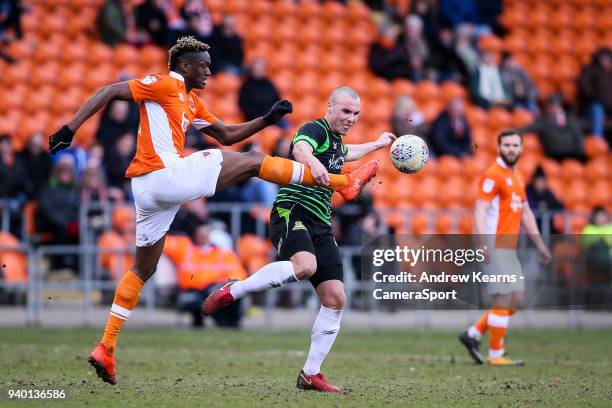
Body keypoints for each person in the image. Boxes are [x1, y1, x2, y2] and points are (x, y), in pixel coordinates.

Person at [47, 36, 378, 385]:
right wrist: (70, 129)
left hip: (150, 194)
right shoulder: (162, 84)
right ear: (184, 66)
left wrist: (266, 119)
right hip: (163, 175)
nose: (209, 70)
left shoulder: (192, 102)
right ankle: (343, 183)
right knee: (252, 161)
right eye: (203, 65)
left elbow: (227, 135)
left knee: (143, 268)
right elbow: (110, 91)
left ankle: (106, 346)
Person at [202, 87, 397, 392]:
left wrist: (378, 144)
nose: (351, 119)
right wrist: (314, 163)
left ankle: (311, 374)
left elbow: (348, 152)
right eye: (345, 111)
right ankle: (235, 289)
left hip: (320, 220)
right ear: (330, 106)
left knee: (335, 298)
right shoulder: (314, 129)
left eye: (356, 114)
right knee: (304, 266)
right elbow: (300, 148)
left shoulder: (336, 141)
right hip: (292, 210)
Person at [459, 129, 551, 366]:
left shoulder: (519, 176)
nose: (511, 149)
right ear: (499, 148)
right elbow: (479, 209)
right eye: (506, 145)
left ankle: (473, 334)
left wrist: (540, 244)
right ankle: (496, 354)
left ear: (521, 149)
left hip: (509, 248)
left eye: (515, 145)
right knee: (503, 298)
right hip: (494, 245)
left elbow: (527, 213)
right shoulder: (493, 175)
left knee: (516, 301)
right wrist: (482, 242)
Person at [164, 222, 246, 328]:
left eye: (205, 234)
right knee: (210, 297)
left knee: (233, 291)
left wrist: (231, 284)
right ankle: (225, 324)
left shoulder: (223, 253)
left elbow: (237, 273)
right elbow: (165, 243)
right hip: (192, 290)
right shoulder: (185, 248)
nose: (203, 237)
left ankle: (229, 323)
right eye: (200, 234)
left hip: (216, 288)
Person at [519, 94, 585, 162]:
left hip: (571, 154)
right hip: (553, 155)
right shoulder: (544, 121)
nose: (553, 108)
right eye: (551, 106)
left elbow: (578, 135)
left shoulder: (570, 120)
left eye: (556, 106)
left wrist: (580, 153)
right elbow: (530, 128)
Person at [578, 47, 612, 138]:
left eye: (609, 58)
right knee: (597, 110)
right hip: (594, 103)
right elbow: (585, 86)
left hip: (609, 106)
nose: (607, 61)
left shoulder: (609, 73)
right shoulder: (590, 70)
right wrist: (594, 97)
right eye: (604, 58)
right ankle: (597, 140)